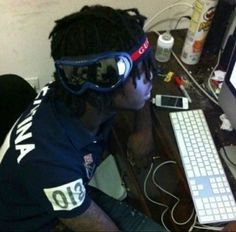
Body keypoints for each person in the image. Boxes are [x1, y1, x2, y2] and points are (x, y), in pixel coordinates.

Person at [0, 4, 165, 232]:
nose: (151, 75)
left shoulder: (82, 98)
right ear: (105, 81)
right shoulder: (51, 165)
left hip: (56, 192)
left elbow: (140, 89)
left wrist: (143, 129)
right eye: (140, 72)